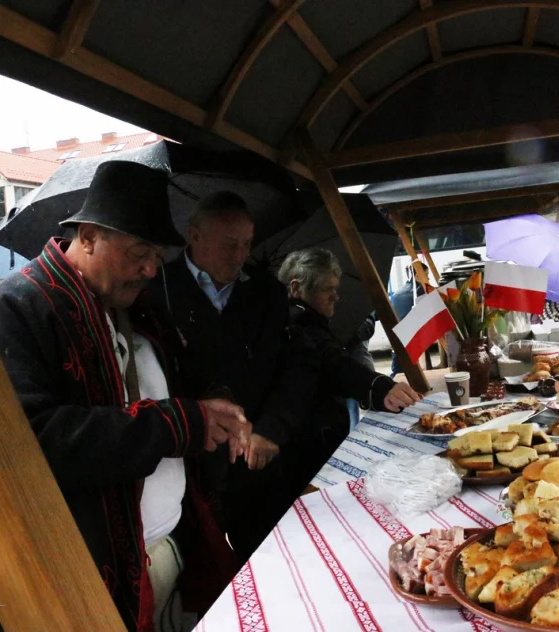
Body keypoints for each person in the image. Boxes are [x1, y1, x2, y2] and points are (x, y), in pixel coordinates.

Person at [0, 162, 249, 632]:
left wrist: (214, 404)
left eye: (156, 255)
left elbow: (184, 385)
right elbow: (30, 440)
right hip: (74, 582)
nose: (152, 269)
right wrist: (176, 425)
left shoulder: (141, 310)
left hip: (161, 557)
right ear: (89, 237)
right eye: (139, 253)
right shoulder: (18, 308)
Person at [156, 191, 307, 562]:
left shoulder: (267, 292)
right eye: (229, 245)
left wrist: (273, 427)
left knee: (275, 563)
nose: (239, 255)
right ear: (194, 236)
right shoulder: (157, 290)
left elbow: (295, 369)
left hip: (258, 458)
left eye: (246, 244)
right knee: (201, 575)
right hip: (188, 465)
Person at [278, 248, 422, 495]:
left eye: (336, 288)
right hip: (306, 448)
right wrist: (378, 387)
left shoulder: (299, 319)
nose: (335, 296)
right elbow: (335, 363)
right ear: (296, 288)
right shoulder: (299, 324)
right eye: (327, 288)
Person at [389, 264, 427, 376]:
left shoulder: (398, 292)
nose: (428, 279)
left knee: (397, 372)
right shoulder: (420, 291)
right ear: (416, 276)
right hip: (410, 341)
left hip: (396, 338)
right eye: (426, 275)